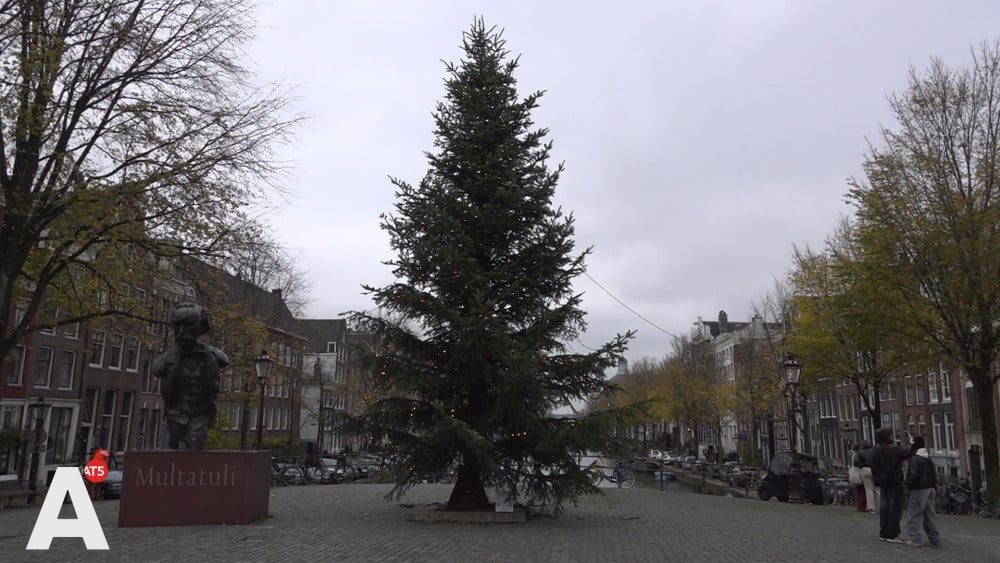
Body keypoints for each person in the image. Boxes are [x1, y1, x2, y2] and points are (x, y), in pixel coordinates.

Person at [871, 427, 912, 543]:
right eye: (891, 435)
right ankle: (892, 534)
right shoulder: (893, 449)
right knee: (895, 509)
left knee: (884, 509)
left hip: (882, 482)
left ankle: (883, 533)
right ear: (888, 436)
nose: (892, 436)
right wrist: (912, 443)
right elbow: (907, 452)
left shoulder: (875, 449)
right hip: (894, 481)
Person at [904, 436, 940, 547]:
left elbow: (914, 475)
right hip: (930, 489)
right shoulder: (928, 458)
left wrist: (908, 485)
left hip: (919, 489)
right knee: (929, 515)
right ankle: (934, 538)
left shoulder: (915, 458)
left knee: (914, 514)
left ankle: (915, 539)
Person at [857, 441, 877, 514]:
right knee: (877, 489)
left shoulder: (860, 452)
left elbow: (856, 461)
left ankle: (871, 508)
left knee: (869, 490)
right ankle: (880, 507)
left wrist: (860, 465)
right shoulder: (874, 451)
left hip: (865, 469)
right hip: (874, 469)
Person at [850, 444, 867, 512]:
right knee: (862, 490)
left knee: (858, 490)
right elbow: (856, 463)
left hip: (856, 473)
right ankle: (861, 506)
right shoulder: (857, 454)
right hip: (859, 473)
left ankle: (859, 505)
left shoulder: (854, 454)